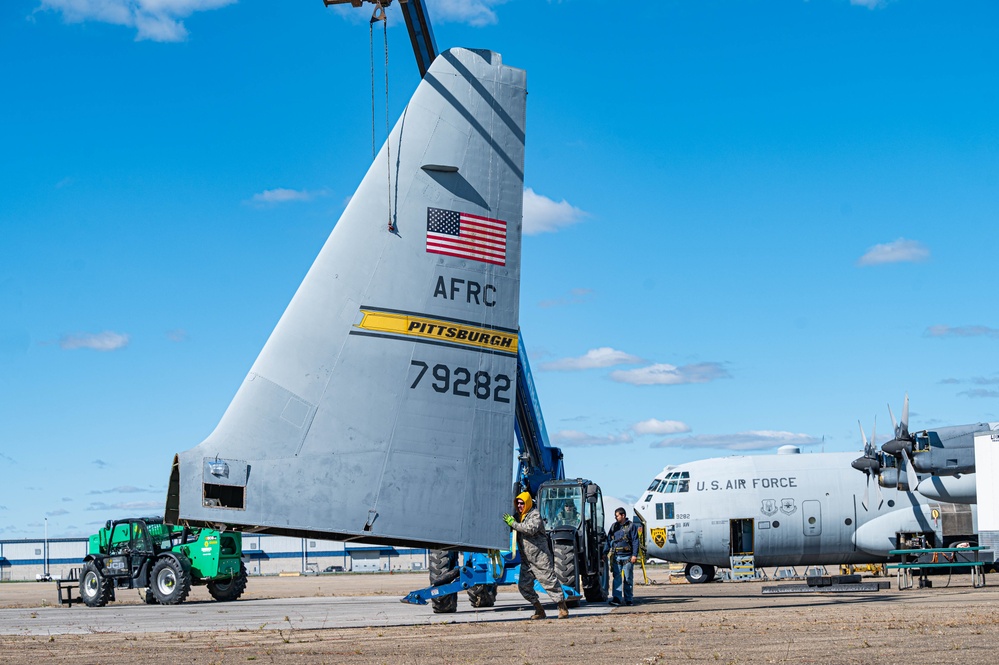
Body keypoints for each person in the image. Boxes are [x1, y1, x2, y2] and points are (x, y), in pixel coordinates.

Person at [503, 491, 569, 619]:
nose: (520, 506)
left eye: (522, 503)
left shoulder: (535, 515)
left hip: (540, 558)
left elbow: (530, 529)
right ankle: (539, 609)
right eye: (518, 504)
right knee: (524, 586)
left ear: (527, 503)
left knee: (550, 583)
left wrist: (513, 524)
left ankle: (562, 607)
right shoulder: (518, 517)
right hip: (527, 560)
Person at [607, 507, 639, 606]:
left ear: (623, 515)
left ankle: (628, 599)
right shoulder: (614, 527)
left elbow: (635, 541)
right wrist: (605, 552)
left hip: (628, 557)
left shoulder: (631, 526)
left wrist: (634, 555)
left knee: (628, 578)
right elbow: (608, 540)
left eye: (617, 516)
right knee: (617, 578)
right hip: (617, 557)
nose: (616, 518)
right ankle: (617, 599)